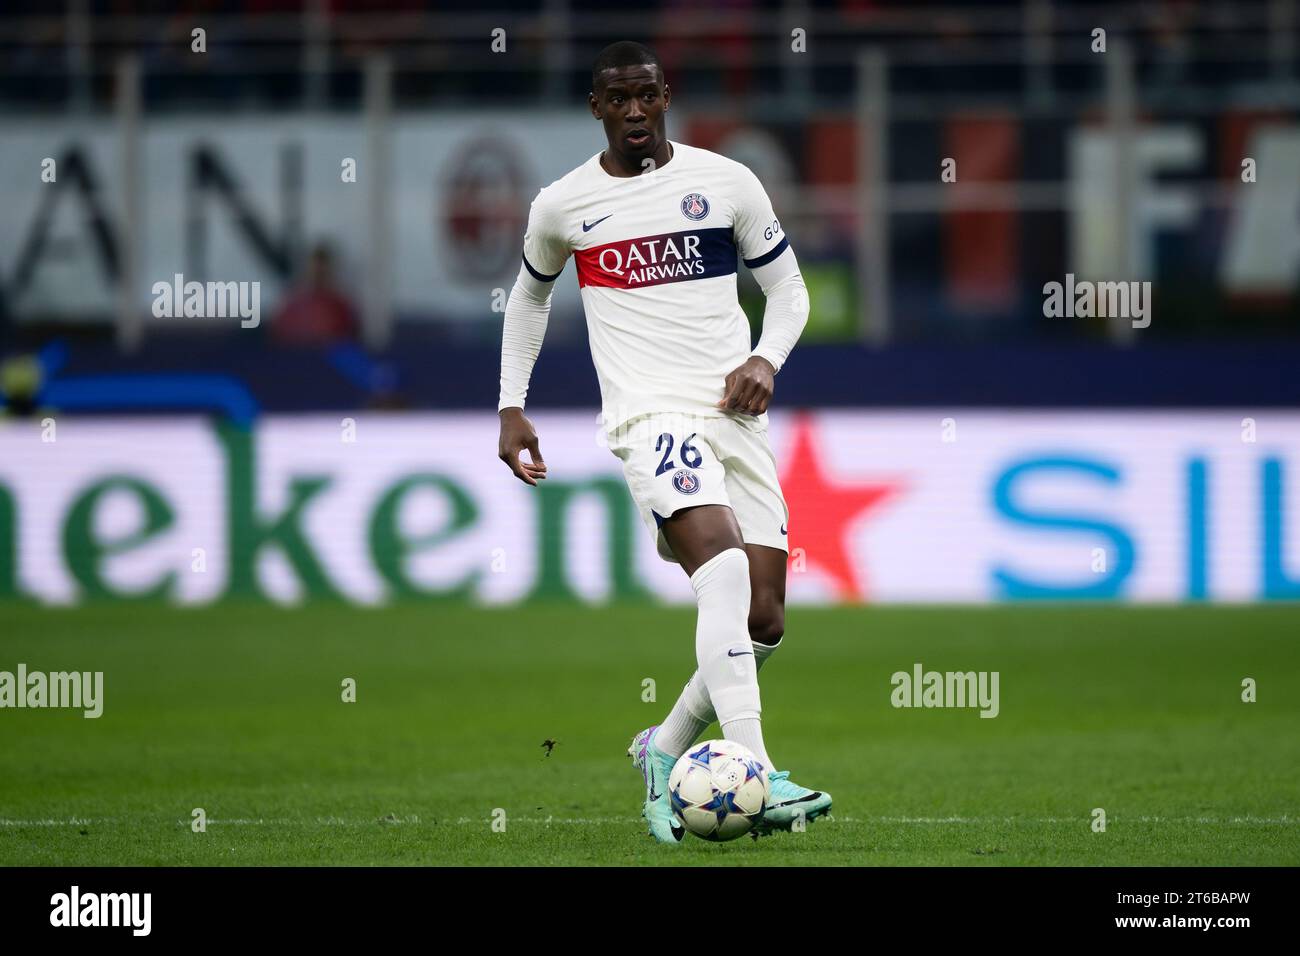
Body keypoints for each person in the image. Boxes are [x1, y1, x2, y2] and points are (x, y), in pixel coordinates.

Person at [496, 40, 826, 844]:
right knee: (718, 570)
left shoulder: (726, 183)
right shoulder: (562, 206)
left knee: (767, 616)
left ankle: (664, 747)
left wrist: (764, 358)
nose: (636, 110)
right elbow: (528, 302)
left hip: (734, 410)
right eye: (619, 98)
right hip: (649, 416)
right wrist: (512, 406)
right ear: (596, 107)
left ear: (666, 95)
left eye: (647, 95)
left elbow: (788, 292)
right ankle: (757, 771)